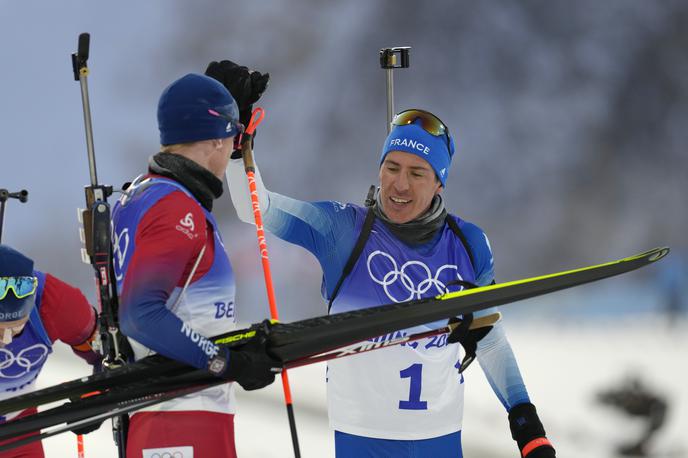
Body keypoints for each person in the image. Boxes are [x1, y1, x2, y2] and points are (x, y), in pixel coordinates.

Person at [210, 61, 556, 457]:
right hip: (362, 438)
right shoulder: (342, 230)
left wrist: (528, 427)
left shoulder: (469, 245)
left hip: (439, 438)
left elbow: (490, 340)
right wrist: (239, 151)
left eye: (417, 173)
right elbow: (257, 209)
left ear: (440, 181)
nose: (400, 184)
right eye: (391, 167)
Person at [111, 73, 278, 458]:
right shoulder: (175, 208)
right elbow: (139, 315)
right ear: (218, 139)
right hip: (179, 415)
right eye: (235, 138)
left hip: (184, 413)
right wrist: (225, 362)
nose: (234, 149)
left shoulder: (145, 193)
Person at [0, 244, 101, 457]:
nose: (6, 340)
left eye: (16, 329)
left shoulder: (57, 303)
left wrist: (96, 395)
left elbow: (107, 352)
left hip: (18, 430)